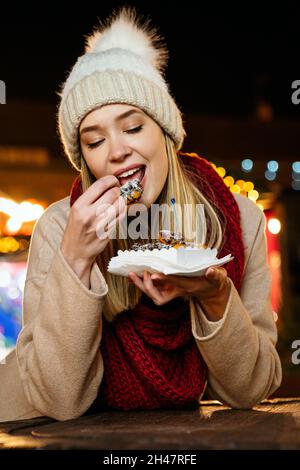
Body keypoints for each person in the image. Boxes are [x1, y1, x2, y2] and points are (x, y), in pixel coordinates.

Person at [0, 7, 282, 422]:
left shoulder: (238, 220)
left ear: (165, 132)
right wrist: (76, 260)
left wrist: (214, 296)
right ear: (86, 160)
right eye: (95, 141)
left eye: (132, 128)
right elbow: (56, 400)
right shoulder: (61, 226)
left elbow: (252, 389)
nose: (116, 151)